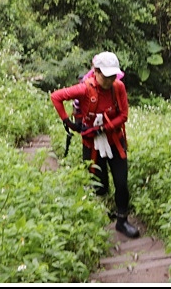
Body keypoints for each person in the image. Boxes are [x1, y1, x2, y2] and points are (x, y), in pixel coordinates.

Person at [50, 51, 140, 238]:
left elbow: (123, 115)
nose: (109, 80)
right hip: (92, 144)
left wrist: (104, 128)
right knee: (98, 184)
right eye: (106, 76)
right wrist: (68, 122)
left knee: (121, 182)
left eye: (113, 76)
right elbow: (56, 97)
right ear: (96, 72)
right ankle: (99, 216)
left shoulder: (119, 88)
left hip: (114, 139)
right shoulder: (84, 90)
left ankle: (122, 221)